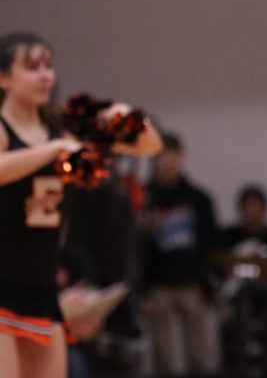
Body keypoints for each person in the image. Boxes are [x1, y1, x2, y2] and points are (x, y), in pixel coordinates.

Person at [0, 31, 162, 378]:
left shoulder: (64, 125)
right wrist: (53, 151)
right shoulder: (4, 128)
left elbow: (149, 146)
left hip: (41, 287)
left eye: (48, 65)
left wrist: (130, 117)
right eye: (31, 67)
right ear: (3, 78)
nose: (44, 74)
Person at [139, 132, 217, 376]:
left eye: (172, 155)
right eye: (161, 156)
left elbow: (209, 244)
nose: (167, 161)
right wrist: (141, 290)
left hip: (192, 282)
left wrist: (208, 282)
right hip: (158, 284)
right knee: (166, 357)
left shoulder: (198, 199)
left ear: (181, 157)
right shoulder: (144, 198)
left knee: (200, 354)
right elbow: (137, 249)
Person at [218, 184, 267, 262]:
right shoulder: (227, 238)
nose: (253, 214)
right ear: (242, 210)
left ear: (264, 210)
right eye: (249, 208)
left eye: (257, 208)